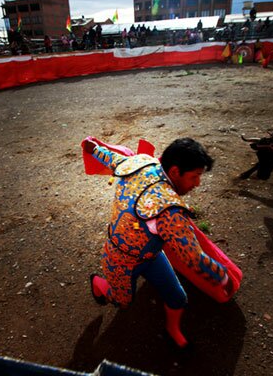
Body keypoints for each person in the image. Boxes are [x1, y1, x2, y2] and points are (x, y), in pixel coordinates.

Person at [83, 138, 230, 349]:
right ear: (175, 171)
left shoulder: (142, 162)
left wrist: (95, 149)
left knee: (177, 297)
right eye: (195, 176)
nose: (197, 184)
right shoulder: (168, 211)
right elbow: (194, 258)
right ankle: (98, 283)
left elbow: (113, 158)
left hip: (150, 255)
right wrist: (222, 276)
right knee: (121, 301)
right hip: (120, 259)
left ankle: (173, 329)